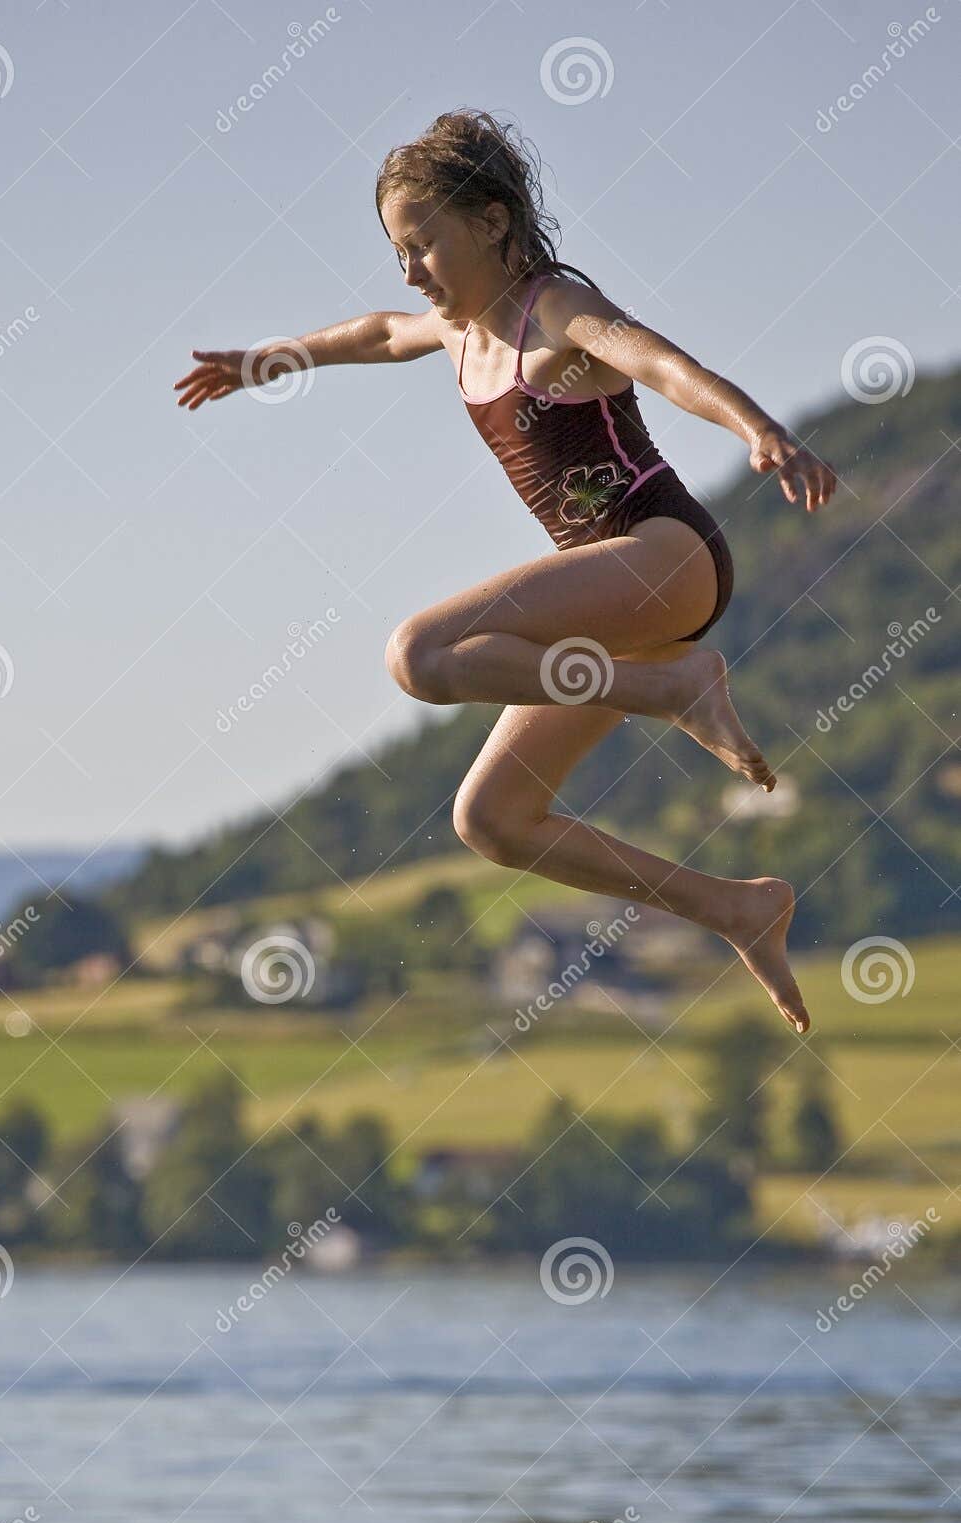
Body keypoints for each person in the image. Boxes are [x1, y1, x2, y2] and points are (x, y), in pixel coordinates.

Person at [174, 110, 837, 1034]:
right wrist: (267, 359)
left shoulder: (552, 308)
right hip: (617, 613)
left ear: (491, 222)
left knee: (422, 653)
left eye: (425, 244)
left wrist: (756, 428)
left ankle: (674, 686)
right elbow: (373, 333)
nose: (410, 270)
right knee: (490, 820)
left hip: (661, 553)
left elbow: (659, 361)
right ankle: (733, 907)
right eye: (398, 251)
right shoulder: (456, 334)